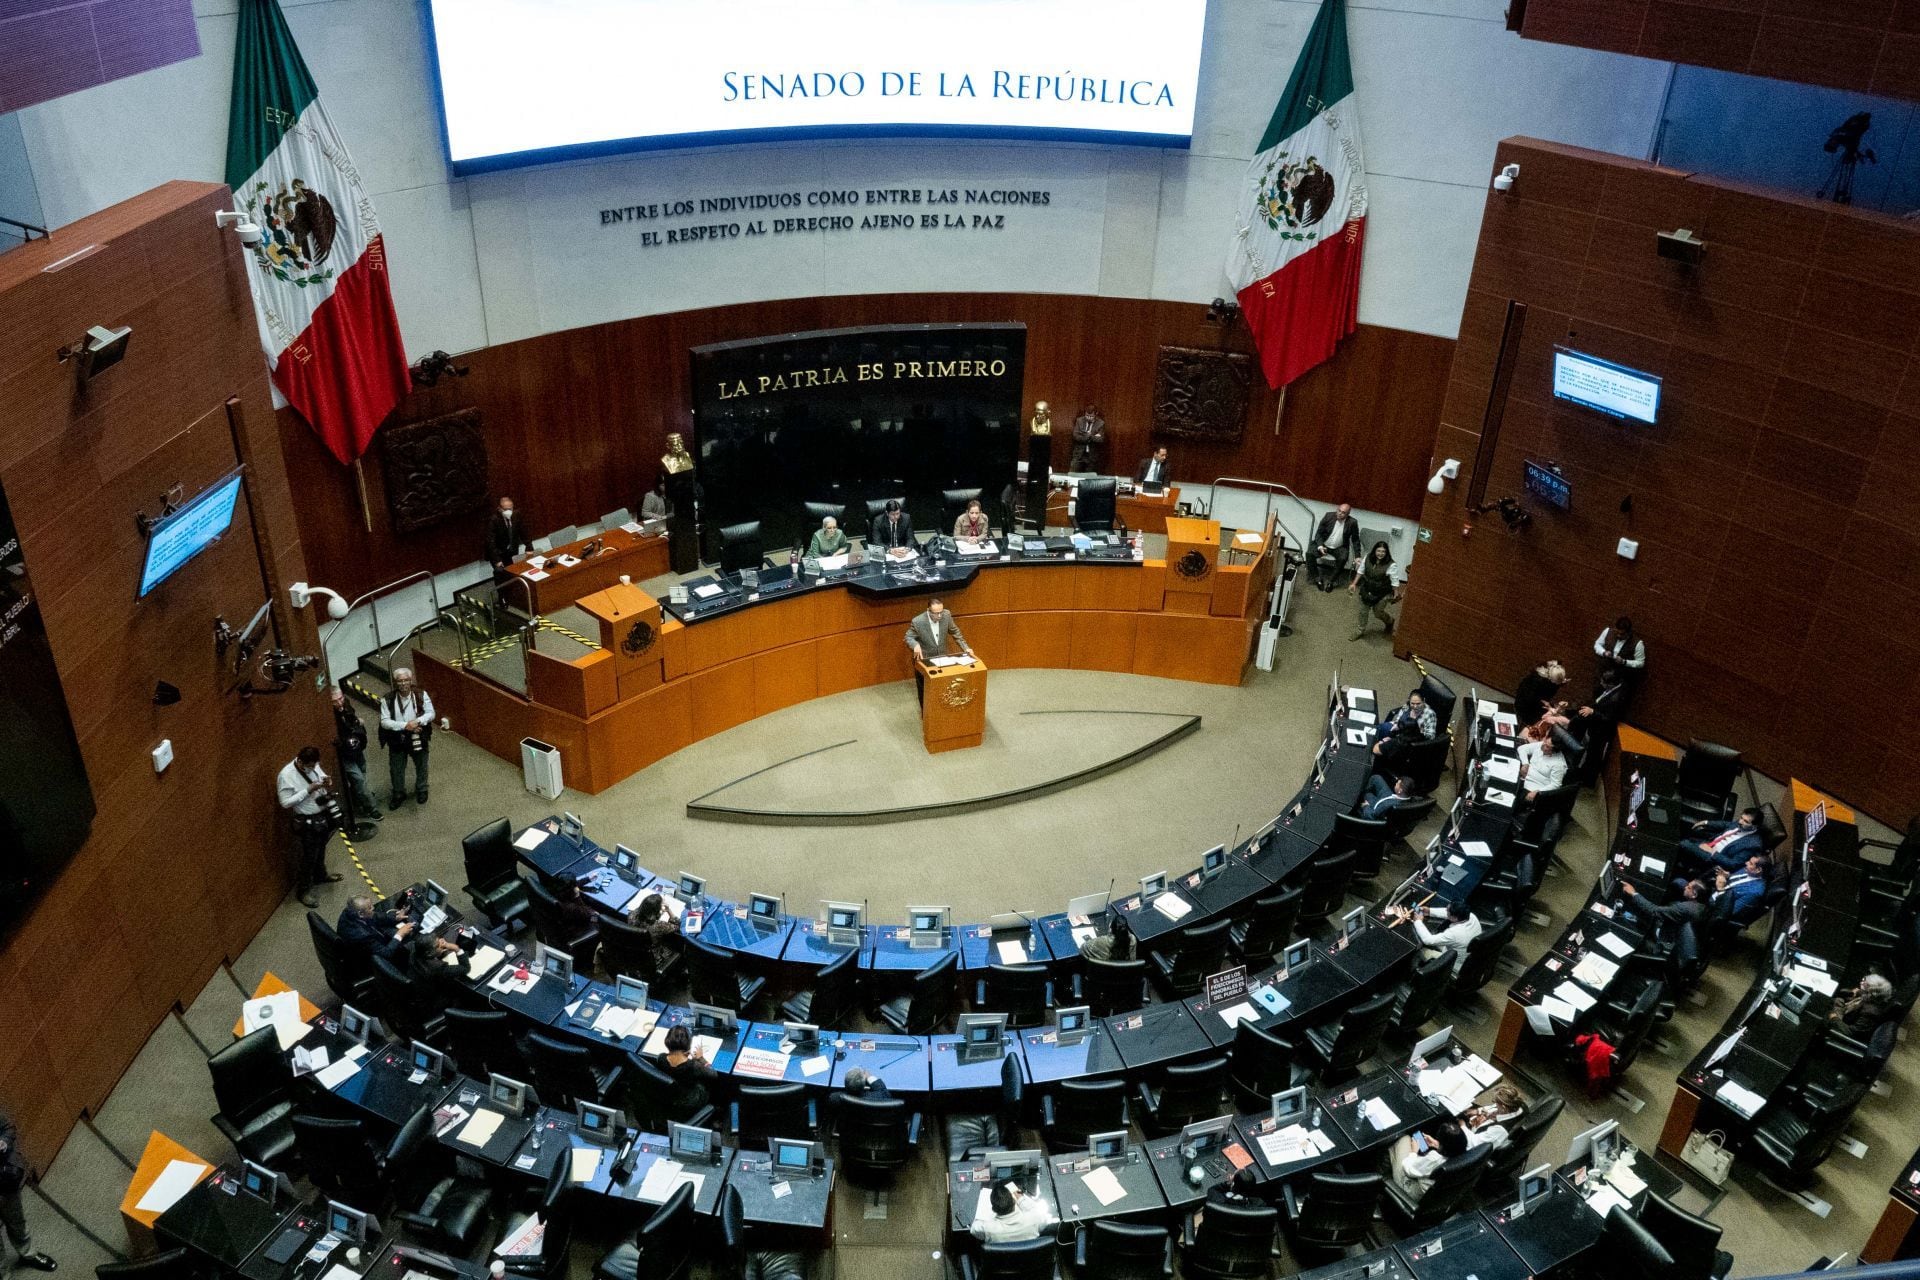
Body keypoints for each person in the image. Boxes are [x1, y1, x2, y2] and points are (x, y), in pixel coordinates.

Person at [278, 745, 341, 907]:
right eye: (310, 766)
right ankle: (303, 890)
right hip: (307, 821)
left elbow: (321, 775)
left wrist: (327, 779)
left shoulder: (313, 765)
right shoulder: (286, 776)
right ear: (299, 761)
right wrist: (308, 790)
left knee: (321, 848)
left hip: (322, 815)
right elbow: (285, 803)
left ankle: (321, 875)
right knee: (309, 856)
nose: (313, 769)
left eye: (315, 765)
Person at [0, 1111, 55, 1275]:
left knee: (17, 1221)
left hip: (4, 1179)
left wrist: (3, 1141)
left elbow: (8, 1127)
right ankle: (3, 1274)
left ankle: (28, 1254)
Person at [379, 667, 434, 809]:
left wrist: (418, 722)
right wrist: (405, 726)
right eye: (400, 681)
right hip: (398, 738)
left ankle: (421, 789)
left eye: (406, 680)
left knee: (422, 764)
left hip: (418, 735)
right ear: (395, 683)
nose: (403, 684)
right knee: (396, 768)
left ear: (411, 681)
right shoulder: (387, 699)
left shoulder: (421, 694)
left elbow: (430, 713)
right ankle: (398, 793)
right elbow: (385, 722)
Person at [905, 598, 973, 705]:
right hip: (924, 661)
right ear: (928, 610)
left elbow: (955, 632)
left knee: (942, 688)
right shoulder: (918, 621)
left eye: (941, 612)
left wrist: (966, 648)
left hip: (941, 659)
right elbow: (908, 637)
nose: (940, 616)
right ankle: (926, 717)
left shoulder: (946, 615)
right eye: (936, 613)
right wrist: (915, 645)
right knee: (924, 691)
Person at [329, 685, 381, 824]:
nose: (339, 703)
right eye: (335, 701)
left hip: (356, 748)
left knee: (362, 773)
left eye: (340, 699)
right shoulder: (330, 716)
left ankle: (360, 796)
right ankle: (371, 807)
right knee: (358, 779)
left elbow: (352, 719)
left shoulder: (346, 705)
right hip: (345, 753)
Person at [1393, 900, 1481, 975]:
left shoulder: (1455, 933)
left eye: (1448, 912)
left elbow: (1428, 940)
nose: (1446, 911)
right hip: (1464, 952)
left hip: (1454, 963)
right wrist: (1429, 911)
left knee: (1418, 951)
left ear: (1455, 918)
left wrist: (1418, 921)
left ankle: (1415, 976)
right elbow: (1448, 913)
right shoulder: (1471, 916)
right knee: (1434, 933)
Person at [1389, 1119, 1468, 1201]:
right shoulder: (1463, 1154)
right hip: (1433, 1196)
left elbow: (1409, 1170)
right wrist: (1438, 1145)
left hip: (1412, 1190)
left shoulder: (1434, 1158)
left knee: (1404, 1138)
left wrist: (1414, 1152)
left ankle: (1382, 1177)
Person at [1676, 808, 1765, 873]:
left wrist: (1712, 851)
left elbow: (1732, 863)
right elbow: (1725, 824)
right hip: (1709, 844)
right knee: (1685, 831)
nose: (1740, 822)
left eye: (1746, 821)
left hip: (1714, 859)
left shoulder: (1753, 845)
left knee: (1683, 844)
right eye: (1741, 818)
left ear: (1755, 826)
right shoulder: (1741, 823)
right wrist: (1706, 822)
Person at [1348, 540, 1406, 640]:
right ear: (1375, 550)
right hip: (1367, 588)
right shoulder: (1367, 558)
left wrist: (1396, 593)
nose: (1381, 554)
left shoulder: (1391, 565)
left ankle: (1390, 621)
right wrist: (1354, 584)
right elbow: (1360, 571)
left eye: (1383, 551)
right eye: (1378, 551)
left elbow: (1395, 581)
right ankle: (1360, 630)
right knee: (1363, 611)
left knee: (1378, 612)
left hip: (1382, 593)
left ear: (1386, 552)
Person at [971, 1181, 1056, 1244]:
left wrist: (984, 1208)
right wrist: (1017, 1193)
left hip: (1002, 1264)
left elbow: (974, 1228)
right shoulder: (1034, 1218)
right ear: (1014, 1201)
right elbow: (1033, 1209)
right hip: (1029, 1260)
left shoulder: (988, 1228)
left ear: (993, 1209)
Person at [661, 1024, 719, 1117]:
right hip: (692, 1099)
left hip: (672, 1095)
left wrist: (684, 1055)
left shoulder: (661, 1058)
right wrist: (701, 1058)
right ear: (688, 1045)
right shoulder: (693, 1066)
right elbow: (714, 1074)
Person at [337, 894, 413, 963]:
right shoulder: (362, 935)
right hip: (362, 960)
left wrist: (395, 918)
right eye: (370, 908)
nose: (373, 908)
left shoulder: (349, 911)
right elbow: (386, 953)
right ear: (360, 914)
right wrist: (400, 934)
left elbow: (373, 916)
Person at [1619, 879, 1707, 936]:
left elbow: (1653, 910)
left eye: (1689, 887)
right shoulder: (1701, 905)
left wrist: (1633, 893)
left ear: (1694, 895)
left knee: (1630, 916)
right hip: (1677, 927)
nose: (1685, 887)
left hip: (1664, 934)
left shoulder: (1683, 908)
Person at [1310, 503, 1361, 591]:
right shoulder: (1328, 516)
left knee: (1343, 558)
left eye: (1343, 512)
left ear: (1348, 514)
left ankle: (1331, 581)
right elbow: (1319, 533)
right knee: (1309, 553)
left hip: (1339, 547)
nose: (1340, 513)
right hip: (1324, 545)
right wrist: (1320, 546)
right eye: (1339, 510)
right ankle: (1317, 579)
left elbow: (1355, 540)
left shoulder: (1352, 522)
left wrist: (1357, 556)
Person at [1463, 1085, 1527, 1150]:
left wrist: (1463, 1126)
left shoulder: (1500, 1130)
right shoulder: (1518, 1105)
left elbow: (1472, 1143)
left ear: (1503, 1108)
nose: (1494, 1103)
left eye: (1495, 1101)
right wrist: (1478, 1111)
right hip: (1492, 1132)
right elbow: (1494, 1107)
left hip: (1477, 1144)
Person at [1830, 974, 1896, 1036]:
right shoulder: (1869, 996)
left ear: (1871, 989)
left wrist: (1834, 1018)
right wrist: (1852, 993)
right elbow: (1843, 991)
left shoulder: (1870, 1012)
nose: (1861, 982)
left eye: (1865, 982)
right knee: (1838, 999)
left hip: (1842, 1026)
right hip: (1844, 1014)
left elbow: (1851, 1032)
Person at [1706, 855, 1771, 918]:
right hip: (1715, 890)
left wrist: (1721, 889)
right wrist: (1727, 875)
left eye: (1750, 863)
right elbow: (1736, 881)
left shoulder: (1754, 892)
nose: (1746, 863)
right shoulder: (1748, 871)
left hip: (1715, 906)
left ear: (1758, 870)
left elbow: (1729, 911)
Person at [1513, 660, 1570, 730]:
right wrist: (1550, 708)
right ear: (1550, 679)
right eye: (1556, 682)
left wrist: (1562, 682)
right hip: (1526, 706)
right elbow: (1532, 700)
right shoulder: (1536, 683)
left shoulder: (1550, 675)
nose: (1557, 684)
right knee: (1545, 722)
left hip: (1536, 701)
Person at [1594, 616, 1645, 686]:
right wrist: (1604, 652)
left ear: (1629, 632)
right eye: (1616, 632)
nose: (1618, 635)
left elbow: (1640, 663)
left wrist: (1624, 662)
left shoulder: (1638, 644)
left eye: (1622, 634)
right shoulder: (1607, 631)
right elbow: (1597, 644)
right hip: (1602, 674)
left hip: (1620, 680)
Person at [1517, 732, 1567, 800]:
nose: (1543, 745)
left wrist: (1537, 792)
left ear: (1554, 751)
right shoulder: (1542, 745)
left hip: (1532, 788)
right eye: (1545, 742)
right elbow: (1522, 748)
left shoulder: (1559, 764)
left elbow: (1556, 785)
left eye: (1547, 746)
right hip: (1522, 778)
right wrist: (1525, 764)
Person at [484, 495, 527, 571]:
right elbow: (490, 542)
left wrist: (529, 547)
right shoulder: (493, 520)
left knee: (515, 571)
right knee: (502, 574)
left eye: (510, 509)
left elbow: (524, 531)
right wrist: (497, 560)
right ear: (500, 509)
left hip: (512, 551)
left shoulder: (516, 515)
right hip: (498, 553)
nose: (508, 512)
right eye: (505, 509)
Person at [1070, 404, 1106, 473]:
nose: (1088, 418)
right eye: (1087, 415)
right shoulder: (1079, 421)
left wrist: (1088, 435)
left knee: (1089, 479)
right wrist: (1092, 436)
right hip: (1078, 454)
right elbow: (1075, 436)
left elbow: (1101, 439)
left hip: (1092, 456)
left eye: (1091, 416)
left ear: (1096, 414)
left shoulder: (1101, 423)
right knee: (1072, 474)